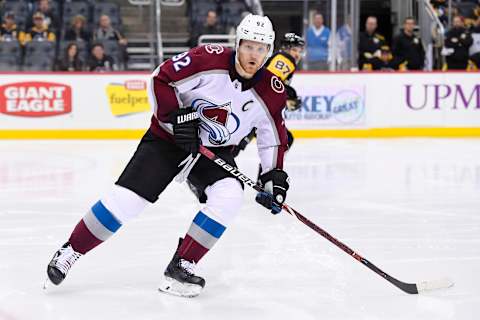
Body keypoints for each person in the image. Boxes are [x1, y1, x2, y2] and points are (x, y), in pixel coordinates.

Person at [46, 13, 289, 298]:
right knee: (127, 202)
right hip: (168, 139)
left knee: (230, 194)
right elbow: (161, 78)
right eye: (249, 46)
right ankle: (71, 250)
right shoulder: (206, 59)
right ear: (238, 43)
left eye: (261, 49)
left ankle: (182, 264)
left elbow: (273, 139)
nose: (254, 55)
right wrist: (176, 120)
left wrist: (273, 177)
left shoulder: (273, 92)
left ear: (269, 51)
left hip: (212, 152)